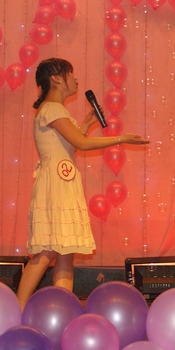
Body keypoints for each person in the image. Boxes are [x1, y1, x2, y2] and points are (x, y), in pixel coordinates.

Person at [16, 58, 149, 310]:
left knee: (66, 253)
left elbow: (69, 146)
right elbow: (82, 144)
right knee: (46, 251)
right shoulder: (52, 109)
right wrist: (120, 139)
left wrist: (84, 126)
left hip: (64, 182)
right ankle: (18, 307)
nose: (75, 79)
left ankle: (61, 310)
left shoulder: (56, 110)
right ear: (56, 78)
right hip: (55, 185)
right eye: (70, 73)